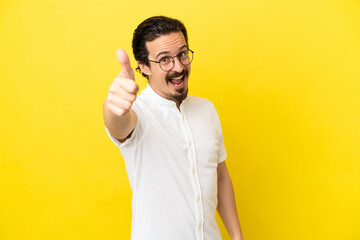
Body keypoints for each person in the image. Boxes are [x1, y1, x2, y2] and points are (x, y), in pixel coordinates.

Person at [103, 16, 244, 240]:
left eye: (182, 54)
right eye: (165, 60)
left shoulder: (207, 110)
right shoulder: (138, 112)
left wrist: (237, 236)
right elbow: (119, 127)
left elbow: (220, 176)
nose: (178, 67)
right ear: (144, 66)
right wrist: (112, 108)